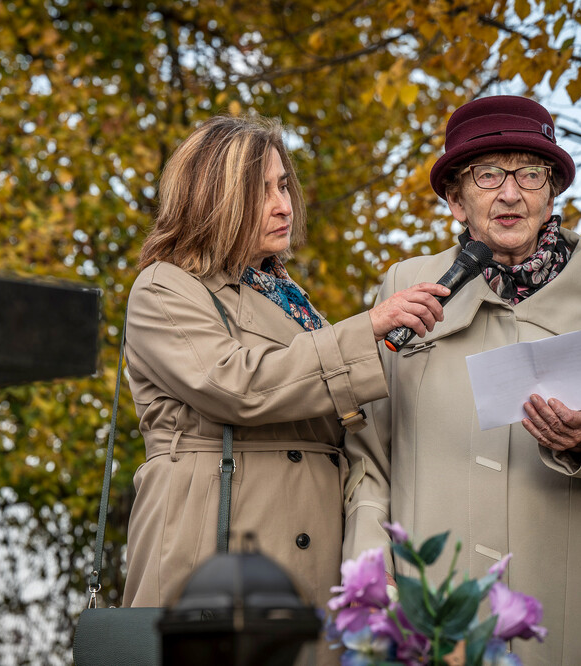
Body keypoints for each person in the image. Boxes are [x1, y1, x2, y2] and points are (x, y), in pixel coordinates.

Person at [342, 96, 581, 664]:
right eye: (488, 175)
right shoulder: (404, 290)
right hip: (437, 605)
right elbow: (369, 457)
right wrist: (371, 568)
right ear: (456, 199)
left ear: (550, 193)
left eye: (530, 174)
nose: (510, 194)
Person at [120, 114, 450, 627]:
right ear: (213, 198)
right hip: (212, 553)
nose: (284, 204)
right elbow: (235, 385)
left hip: (308, 558)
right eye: (262, 191)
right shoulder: (164, 286)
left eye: (283, 185)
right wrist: (367, 328)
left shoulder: (294, 302)